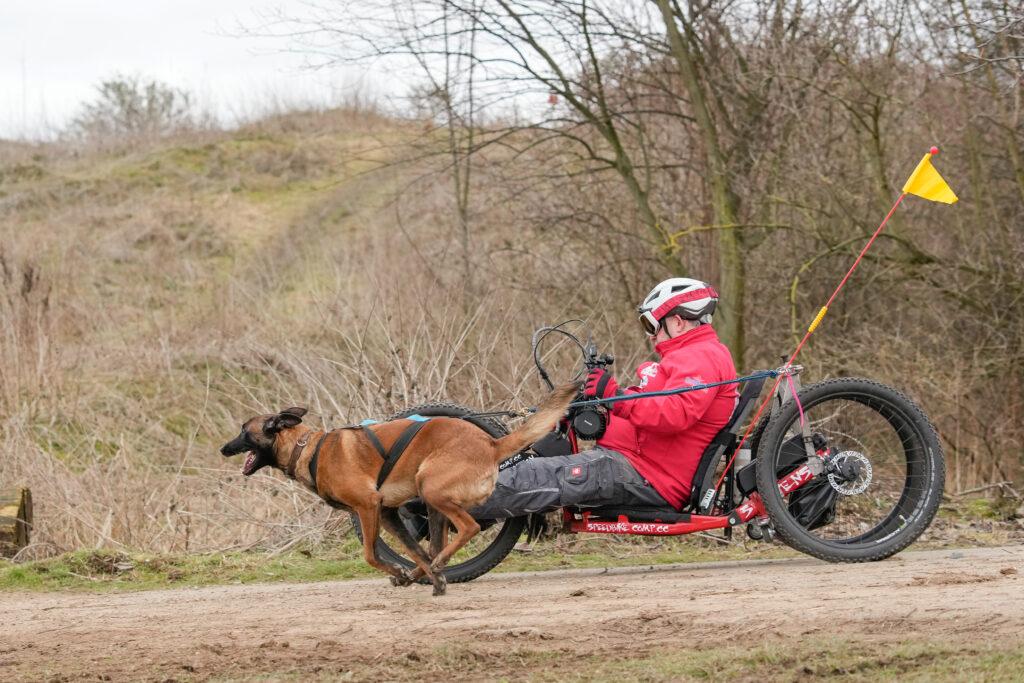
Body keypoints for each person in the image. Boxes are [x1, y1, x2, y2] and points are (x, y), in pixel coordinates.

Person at [472, 277, 738, 519]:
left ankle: (446, 496)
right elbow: (652, 406)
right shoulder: (688, 357)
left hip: (646, 474)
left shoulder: (701, 357)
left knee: (528, 477)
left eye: (652, 324)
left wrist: (612, 396)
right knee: (535, 463)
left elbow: (674, 413)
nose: (650, 334)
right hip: (630, 463)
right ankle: (455, 495)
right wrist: (599, 404)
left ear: (677, 321)